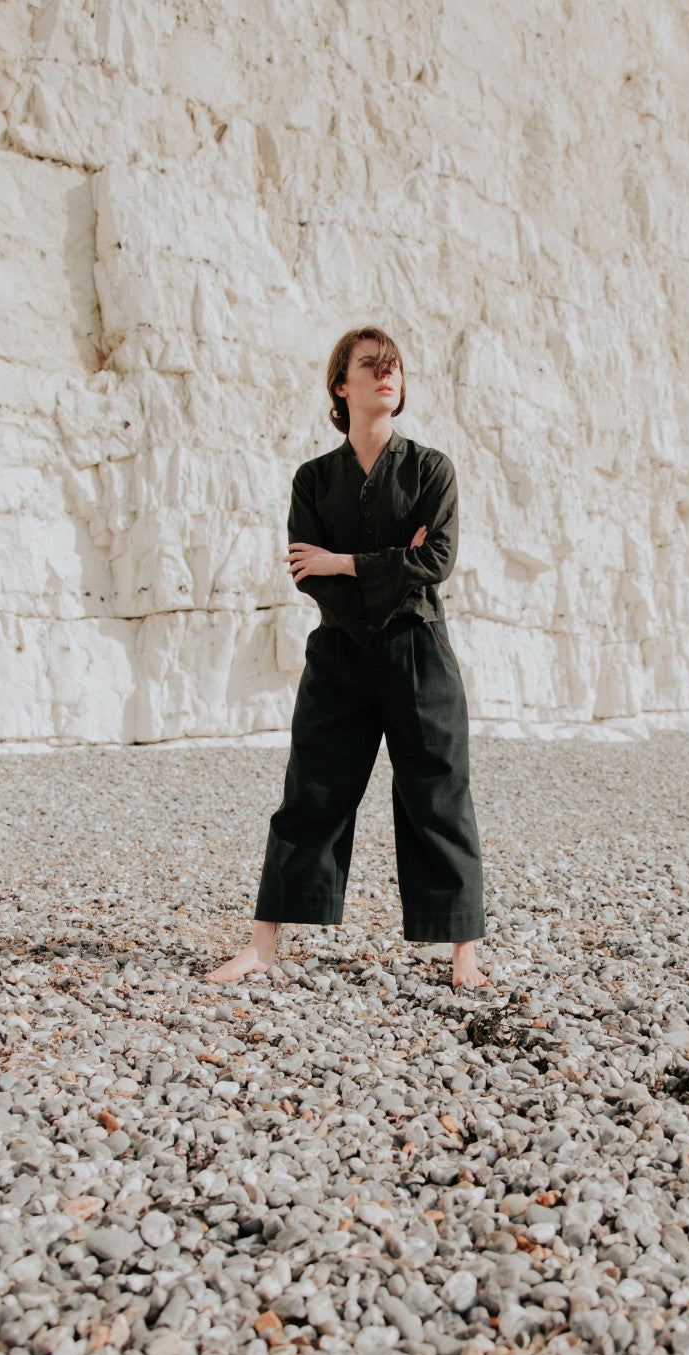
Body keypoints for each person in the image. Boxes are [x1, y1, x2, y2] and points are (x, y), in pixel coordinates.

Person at [206, 326, 491, 990]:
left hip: (419, 651)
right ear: (342, 385)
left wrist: (347, 561)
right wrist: (387, 566)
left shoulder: (430, 470)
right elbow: (308, 574)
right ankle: (262, 947)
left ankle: (464, 955)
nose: (387, 375)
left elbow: (436, 561)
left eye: (394, 367)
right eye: (371, 366)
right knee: (311, 793)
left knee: (438, 794)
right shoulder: (313, 479)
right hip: (340, 651)